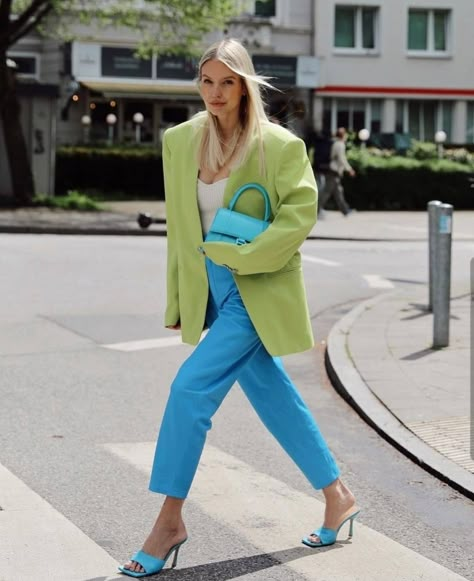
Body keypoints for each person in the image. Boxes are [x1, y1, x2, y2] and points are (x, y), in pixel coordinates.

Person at [119, 39, 359, 578]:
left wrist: (248, 257)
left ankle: (169, 523)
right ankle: (338, 495)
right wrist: (182, 298)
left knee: (190, 390)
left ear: (245, 84)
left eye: (227, 82)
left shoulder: (278, 146)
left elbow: (298, 218)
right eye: (207, 81)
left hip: (256, 286)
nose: (216, 93)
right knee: (273, 397)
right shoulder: (179, 141)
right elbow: (181, 232)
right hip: (211, 287)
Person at [318, 127, 355, 217]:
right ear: (343, 135)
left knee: (338, 192)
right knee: (327, 192)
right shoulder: (340, 144)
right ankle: (315, 209)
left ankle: (345, 210)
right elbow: (342, 158)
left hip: (333, 171)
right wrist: (349, 169)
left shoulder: (335, 143)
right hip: (333, 171)